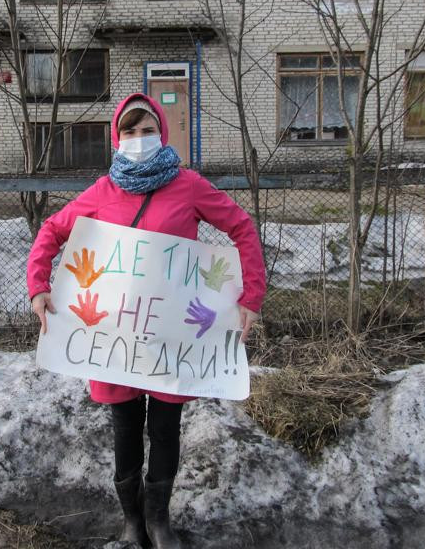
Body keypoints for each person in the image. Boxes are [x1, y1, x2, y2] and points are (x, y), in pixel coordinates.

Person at [26, 93, 266, 549]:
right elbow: (53, 231)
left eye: (147, 130)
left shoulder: (188, 185)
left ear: (163, 134)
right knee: (125, 428)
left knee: (165, 428)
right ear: (117, 138)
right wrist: (38, 285)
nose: (139, 139)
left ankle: (159, 520)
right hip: (116, 337)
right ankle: (132, 520)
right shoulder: (103, 192)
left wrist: (250, 295)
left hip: (172, 339)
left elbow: (241, 227)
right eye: (130, 131)